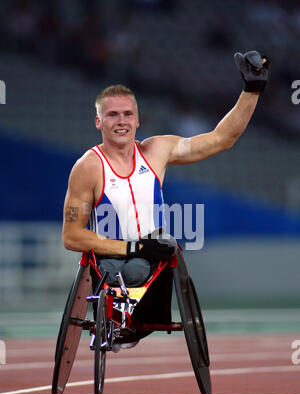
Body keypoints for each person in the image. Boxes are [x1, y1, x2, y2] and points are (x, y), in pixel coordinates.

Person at [62, 50, 268, 347]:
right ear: (98, 122)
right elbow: (71, 235)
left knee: (151, 258)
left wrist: (252, 91)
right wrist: (128, 246)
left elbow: (222, 139)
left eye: (128, 114)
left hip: (151, 258)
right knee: (121, 269)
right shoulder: (87, 167)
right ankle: (114, 322)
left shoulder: (157, 150)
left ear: (138, 120)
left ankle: (132, 322)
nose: (121, 122)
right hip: (108, 257)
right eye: (112, 115)